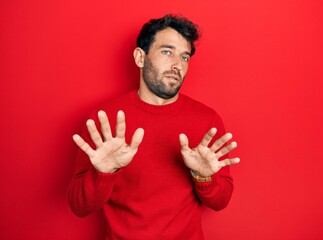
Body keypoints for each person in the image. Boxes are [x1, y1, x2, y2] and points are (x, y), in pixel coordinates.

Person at [68, 14, 240, 240]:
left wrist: (203, 177)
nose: (178, 64)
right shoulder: (104, 119)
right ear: (140, 57)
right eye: (167, 51)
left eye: (185, 56)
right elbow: (79, 206)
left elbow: (221, 201)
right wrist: (103, 173)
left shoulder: (206, 121)